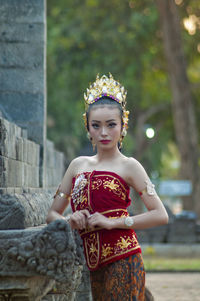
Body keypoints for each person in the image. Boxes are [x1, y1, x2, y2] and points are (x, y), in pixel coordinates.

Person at [46, 73, 168, 301]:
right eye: (96, 125)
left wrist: (114, 223)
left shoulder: (130, 166)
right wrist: (68, 221)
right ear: (88, 128)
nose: (103, 132)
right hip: (91, 266)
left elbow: (161, 215)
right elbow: (52, 214)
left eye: (111, 125)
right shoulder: (76, 166)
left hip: (124, 260)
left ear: (123, 127)